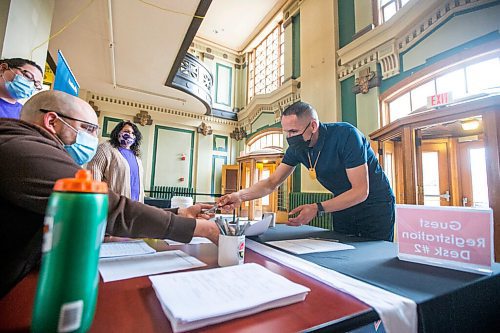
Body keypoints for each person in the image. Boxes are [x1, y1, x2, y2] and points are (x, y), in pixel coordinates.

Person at [0, 90, 219, 297]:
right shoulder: (24, 150)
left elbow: (128, 201)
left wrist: (180, 212)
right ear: (52, 121)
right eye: (88, 129)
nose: (93, 139)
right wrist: (198, 228)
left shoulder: (26, 144)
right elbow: (102, 203)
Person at [218, 101, 395, 241]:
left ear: (313, 126)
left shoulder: (346, 135)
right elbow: (271, 182)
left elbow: (360, 191)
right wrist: (239, 196)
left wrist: (317, 208)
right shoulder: (297, 149)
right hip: (342, 204)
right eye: (286, 132)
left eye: (294, 131)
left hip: (375, 205)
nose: (290, 138)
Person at [88, 120, 145, 202]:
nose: (130, 135)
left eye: (133, 133)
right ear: (118, 132)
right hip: (113, 205)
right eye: (127, 131)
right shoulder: (105, 149)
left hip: (136, 206)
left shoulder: (136, 156)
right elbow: (94, 178)